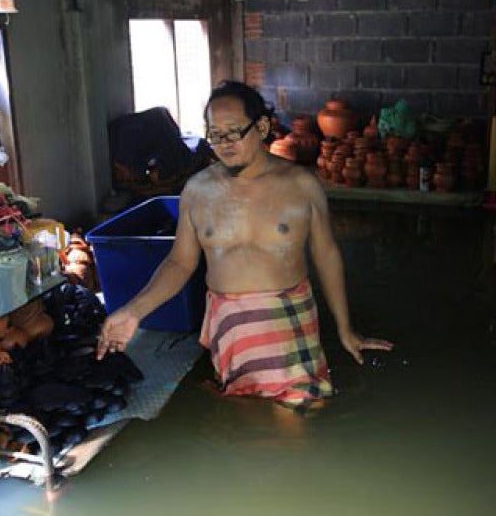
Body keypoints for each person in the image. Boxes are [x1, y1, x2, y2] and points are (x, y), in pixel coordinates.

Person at [96, 81, 394, 408]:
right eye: (215, 133)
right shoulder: (197, 191)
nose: (224, 143)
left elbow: (326, 256)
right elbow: (180, 263)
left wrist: (345, 327)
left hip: (288, 319)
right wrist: (132, 312)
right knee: (245, 415)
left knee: (300, 418)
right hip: (230, 324)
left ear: (262, 126)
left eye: (234, 131)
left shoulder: (301, 186)